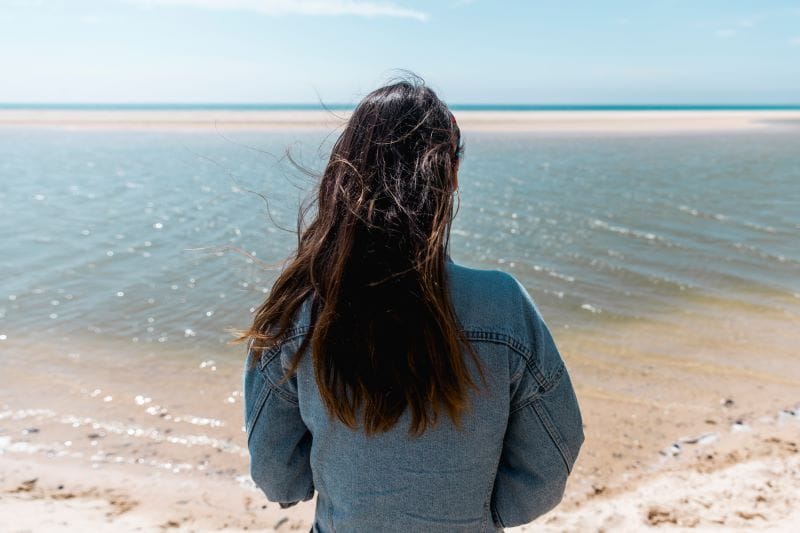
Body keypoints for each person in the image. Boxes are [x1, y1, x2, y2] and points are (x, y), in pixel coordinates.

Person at [240, 76, 584, 532]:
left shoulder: (297, 310)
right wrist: (480, 514)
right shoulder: (504, 305)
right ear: (452, 175)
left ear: (344, 172)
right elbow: (548, 464)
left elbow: (278, 477)